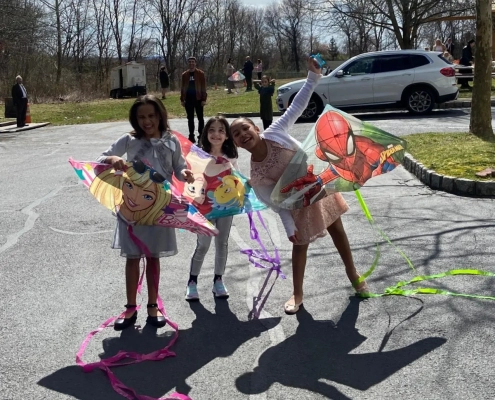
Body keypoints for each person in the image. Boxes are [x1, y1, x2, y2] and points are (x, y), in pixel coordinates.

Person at [229, 57, 368, 315]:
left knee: (338, 230)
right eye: (236, 135)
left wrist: (312, 78)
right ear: (236, 144)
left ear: (256, 128)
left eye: (244, 128)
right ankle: (298, 292)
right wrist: (289, 226)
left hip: (319, 186)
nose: (242, 134)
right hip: (298, 204)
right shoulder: (257, 174)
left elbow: (296, 107)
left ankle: (353, 274)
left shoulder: (276, 132)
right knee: (299, 245)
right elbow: (275, 203)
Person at [95, 94, 194, 330]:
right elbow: (101, 158)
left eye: (151, 116)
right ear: (134, 119)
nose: (147, 121)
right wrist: (113, 158)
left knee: (153, 257)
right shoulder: (129, 140)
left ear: (160, 115)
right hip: (133, 208)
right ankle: (130, 307)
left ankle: (153, 305)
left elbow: (179, 166)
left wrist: (185, 174)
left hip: (159, 207)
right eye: (141, 117)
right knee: (132, 257)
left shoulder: (172, 141)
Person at [185, 116, 239, 301]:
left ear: (226, 136)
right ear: (205, 133)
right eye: (212, 130)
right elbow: (189, 182)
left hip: (226, 207)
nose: (216, 134)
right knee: (203, 245)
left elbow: (237, 181)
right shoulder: (197, 155)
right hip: (203, 208)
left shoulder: (231, 156)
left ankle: (218, 280)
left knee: (222, 243)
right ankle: (192, 282)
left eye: (221, 131)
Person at [180, 57, 207, 143]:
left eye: (193, 62)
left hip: (198, 99)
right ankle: (191, 136)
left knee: (200, 118)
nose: (191, 63)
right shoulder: (185, 75)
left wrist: (204, 99)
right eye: (190, 62)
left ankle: (201, 136)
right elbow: (183, 87)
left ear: (195, 63)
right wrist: (182, 99)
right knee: (190, 119)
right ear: (188, 63)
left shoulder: (200, 74)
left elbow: (203, 87)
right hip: (188, 99)